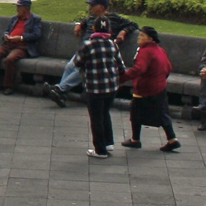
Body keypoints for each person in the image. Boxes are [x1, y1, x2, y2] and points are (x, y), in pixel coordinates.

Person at [74, 14, 126, 158]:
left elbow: (77, 62)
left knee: (96, 117)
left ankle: (100, 150)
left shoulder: (88, 45)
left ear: (94, 28)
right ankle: (108, 143)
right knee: (105, 113)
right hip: (111, 87)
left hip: (94, 87)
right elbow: (121, 66)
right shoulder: (112, 44)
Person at [121, 27, 180, 151]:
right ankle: (172, 139)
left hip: (145, 88)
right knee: (163, 113)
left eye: (142, 35)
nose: (139, 38)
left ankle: (135, 140)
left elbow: (139, 69)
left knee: (136, 113)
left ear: (150, 38)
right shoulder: (159, 50)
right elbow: (168, 67)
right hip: (160, 86)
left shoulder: (145, 51)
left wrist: (123, 78)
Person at [0, 0, 45, 94]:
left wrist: (21, 38)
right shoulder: (15, 18)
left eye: (19, 7)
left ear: (26, 8)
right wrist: (5, 35)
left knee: (10, 59)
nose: (17, 9)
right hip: (8, 44)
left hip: (22, 47)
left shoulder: (35, 19)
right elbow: (7, 30)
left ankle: (8, 86)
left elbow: (36, 35)